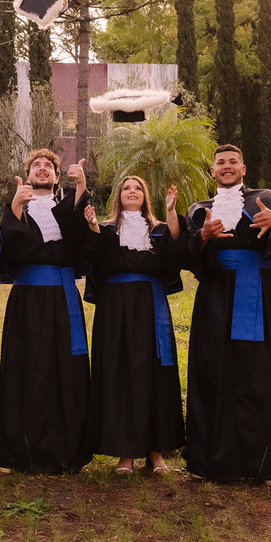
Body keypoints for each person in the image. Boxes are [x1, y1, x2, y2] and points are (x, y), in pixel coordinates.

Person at [183, 144, 271, 485]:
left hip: (257, 293)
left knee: (259, 373)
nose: (227, 166)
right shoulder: (199, 209)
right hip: (214, 294)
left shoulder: (266, 198)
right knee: (212, 370)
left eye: (233, 161)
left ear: (243, 168)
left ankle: (266, 463)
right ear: (212, 171)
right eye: (220, 162)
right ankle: (211, 462)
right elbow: (184, 254)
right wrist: (202, 238)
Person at [0, 149, 93, 474]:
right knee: (23, 369)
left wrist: (81, 188)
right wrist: (15, 207)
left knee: (66, 370)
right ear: (28, 175)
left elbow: (83, 243)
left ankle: (67, 453)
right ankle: (16, 453)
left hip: (63, 298)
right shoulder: (16, 209)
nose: (42, 168)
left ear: (57, 177)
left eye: (48, 166)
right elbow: (9, 250)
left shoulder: (68, 209)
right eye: (36, 165)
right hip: (26, 301)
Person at [83, 177, 185, 474]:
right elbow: (97, 260)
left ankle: (156, 453)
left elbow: (175, 253)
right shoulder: (106, 229)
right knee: (119, 374)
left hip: (151, 306)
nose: (132, 191)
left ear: (145, 197)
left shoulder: (159, 230)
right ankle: (124, 454)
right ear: (118, 196)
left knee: (155, 374)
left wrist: (171, 212)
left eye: (138, 188)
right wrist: (92, 229)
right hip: (115, 308)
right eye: (126, 188)